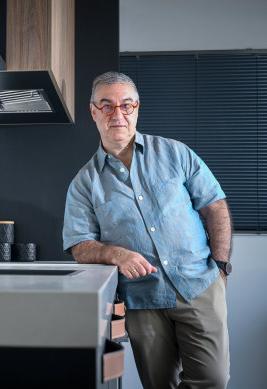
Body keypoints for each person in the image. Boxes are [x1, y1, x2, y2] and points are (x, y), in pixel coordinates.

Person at [62, 71, 231, 388]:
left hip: (198, 285)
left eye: (126, 105)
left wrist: (221, 267)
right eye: (108, 106)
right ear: (93, 111)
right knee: (158, 385)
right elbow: (79, 245)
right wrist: (116, 253)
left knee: (213, 379)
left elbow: (215, 206)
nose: (118, 114)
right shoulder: (84, 183)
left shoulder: (175, 154)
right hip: (142, 300)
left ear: (137, 108)